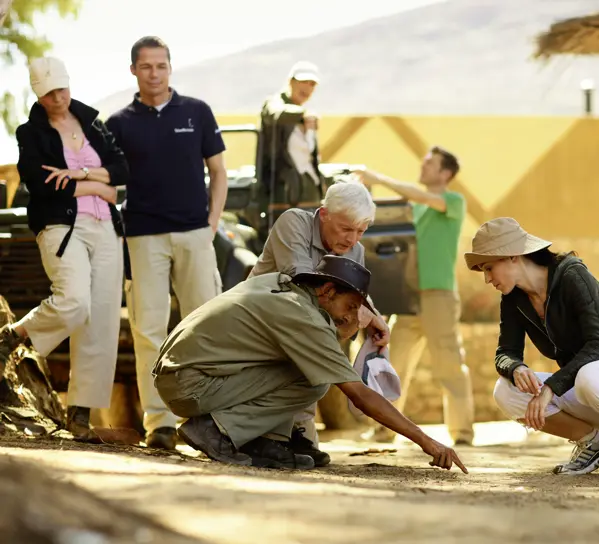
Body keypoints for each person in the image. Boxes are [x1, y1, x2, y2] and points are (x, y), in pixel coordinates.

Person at [152, 255, 467, 475]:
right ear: (327, 291)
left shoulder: (281, 286)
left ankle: (265, 442)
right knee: (315, 380)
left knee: (310, 369)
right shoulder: (303, 317)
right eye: (351, 306)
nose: (353, 316)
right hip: (191, 385)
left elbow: (322, 346)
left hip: (183, 375)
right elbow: (358, 394)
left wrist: (348, 322)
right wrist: (426, 441)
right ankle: (215, 430)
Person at [464, 217, 599, 480]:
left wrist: (551, 388)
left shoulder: (572, 275)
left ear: (512, 256)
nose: (486, 279)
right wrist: (515, 367)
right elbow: (504, 352)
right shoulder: (513, 299)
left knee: (590, 373)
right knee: (505, 390)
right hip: (590, 391)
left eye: (489, 268)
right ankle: (595, 443)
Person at [106, 36, 227, 451]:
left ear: (170, 68)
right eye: (146, 66)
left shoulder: (196, 112)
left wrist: (211, 224)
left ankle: (206, 421)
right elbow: (108, 180)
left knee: (204, 327)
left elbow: (219, 172)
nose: (154, 73)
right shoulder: (118, 123)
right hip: (143, 237)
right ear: (134, 70)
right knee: (149, 329)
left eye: (160, 66)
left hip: (195, 233)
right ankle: (158, 423)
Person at [0, 57, 127, 442]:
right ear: (39, 93)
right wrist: (97, 185)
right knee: (73, 301)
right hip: (61, 226)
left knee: (102, 320)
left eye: (64, 89)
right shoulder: (31, 133)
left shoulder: (92, 123)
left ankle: (80, 415)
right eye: (51, 92)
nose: (60, 97)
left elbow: (122, 171)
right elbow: (40, 184)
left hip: (106, 228)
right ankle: (14, 337)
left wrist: (78, 175)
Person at [246, 181, 390, 466]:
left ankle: (299, 436)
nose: (352, 240)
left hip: (303, 333)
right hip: (260, 323)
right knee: (312, 337)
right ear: (324, 215)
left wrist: (373, 315)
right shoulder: (293, 223)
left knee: (317, 347)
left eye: (361, 231)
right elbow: (301, 286)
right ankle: (270, 436)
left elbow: (353, 295)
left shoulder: (355, 250)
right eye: (346, 229)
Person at [355, 147, 475, 446]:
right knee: (392, 363)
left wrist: (378, 178)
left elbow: (417, 195)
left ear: (445, 173)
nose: (423, 165)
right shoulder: (415, 208)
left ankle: (462, 433)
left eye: (430, 163)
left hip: (439, 296)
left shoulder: (452, 201)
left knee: (449, 363)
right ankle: (384, 428)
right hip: (406, 297)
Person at [260, 60, 324, 224]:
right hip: (284, 189)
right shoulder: (275, 103)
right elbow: (276, 113)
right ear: (291, 82)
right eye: (303, 81)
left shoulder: (308, 114)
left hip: (309, 186)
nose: (307, 87)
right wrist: (302, 114)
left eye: (312, 84)